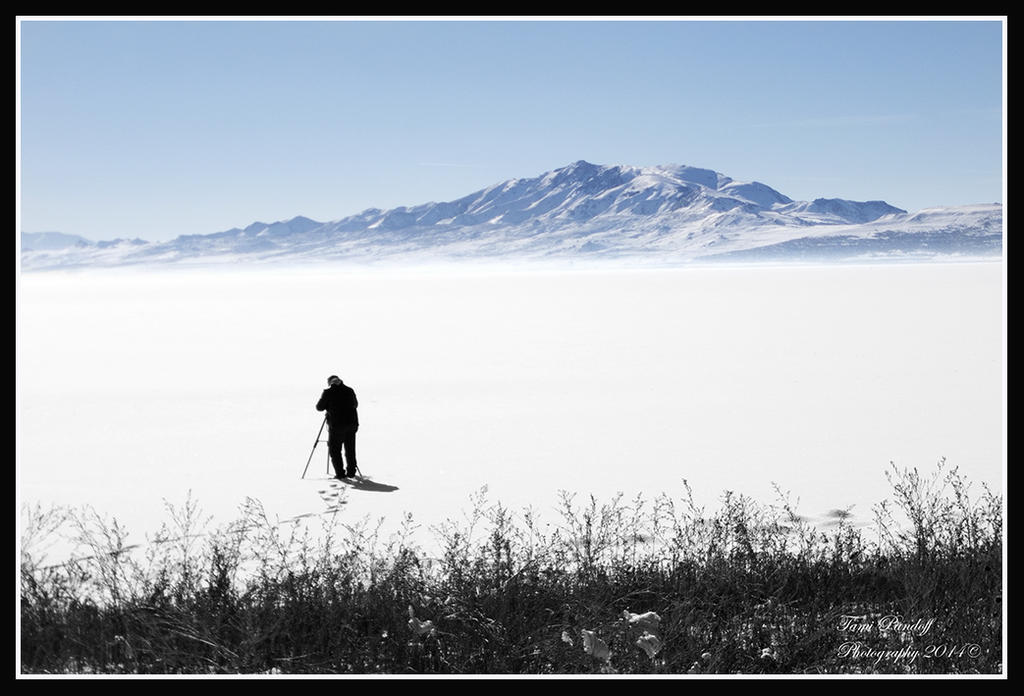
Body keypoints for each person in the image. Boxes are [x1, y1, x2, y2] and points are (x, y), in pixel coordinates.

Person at [316, 375, 359, 479]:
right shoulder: (349, 390)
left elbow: (319, 407)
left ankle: (340, 473)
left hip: (337, 426)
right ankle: (351, 472)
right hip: (351, 424)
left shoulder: (328, 392)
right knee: (350, 449)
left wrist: (328, 406)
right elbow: (355, 404)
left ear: (330, 383)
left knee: (334, 450)